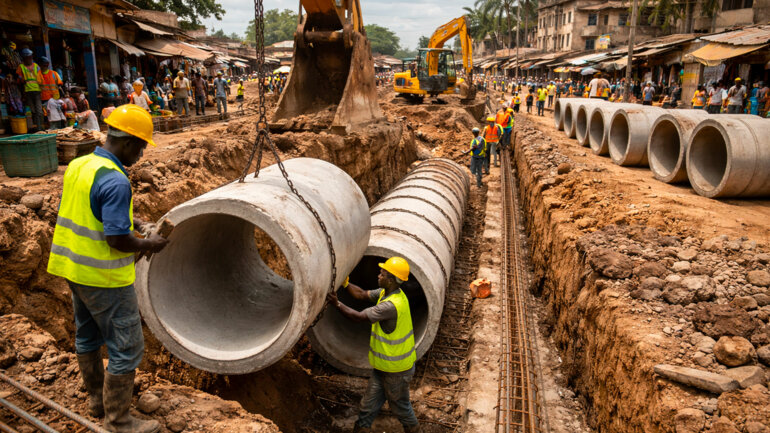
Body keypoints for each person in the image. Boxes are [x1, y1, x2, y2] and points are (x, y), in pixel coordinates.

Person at [47, 104, 168, 433]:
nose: (141, 154)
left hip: (74, 269)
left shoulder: (79, 164)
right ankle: (119, 421)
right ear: (127, 142)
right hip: (105, 278)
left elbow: (92, 211)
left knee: (87, 336)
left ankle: (98, 402)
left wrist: (136, 222)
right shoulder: (116, 181)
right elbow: (116, 239)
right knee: (126, 348)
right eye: (141, 147)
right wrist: (148, 244)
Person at [328, 258, 421, 433]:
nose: (378, 276)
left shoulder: (391, 306)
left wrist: (337, 303)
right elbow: (361, 294)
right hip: (383, 367)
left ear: (392, 280)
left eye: (382, 274)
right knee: (368, 406)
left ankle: (415, 430)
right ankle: (362, 429)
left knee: (400, 407)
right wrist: (346, 283)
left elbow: (358, 317)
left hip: (396, 370)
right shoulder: (386, 293)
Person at [16, 49, 44, 131]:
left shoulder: (36, 66)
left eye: (30, 57)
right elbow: (19, 80)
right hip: (27, 91)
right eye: (27, 57)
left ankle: (40, 127)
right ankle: (36, 127)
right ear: (24, 58)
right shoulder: (21, 67)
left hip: (37, 91)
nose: (29, 59)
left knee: (39, 110)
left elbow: (41, 79)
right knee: (32, 111)